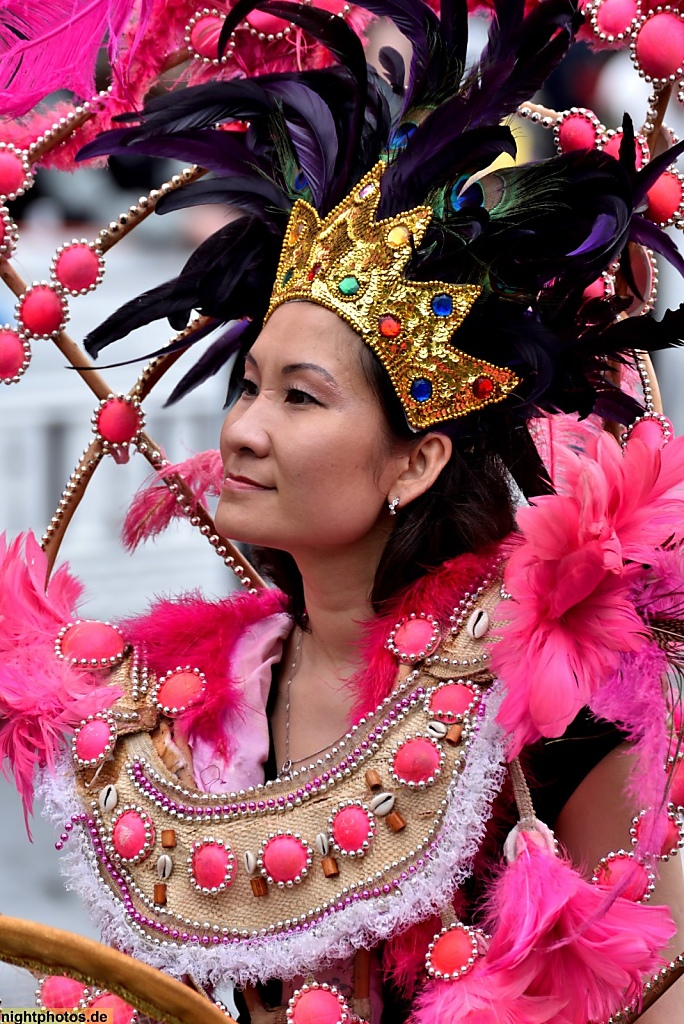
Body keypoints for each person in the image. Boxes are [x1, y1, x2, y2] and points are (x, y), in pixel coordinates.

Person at [2, 1, 684, 1022]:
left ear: (417, 460)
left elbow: (647, 992)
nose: (242, 430)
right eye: (246, 386)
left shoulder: (558, 703)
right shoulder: (200, 694)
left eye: (300, 397)